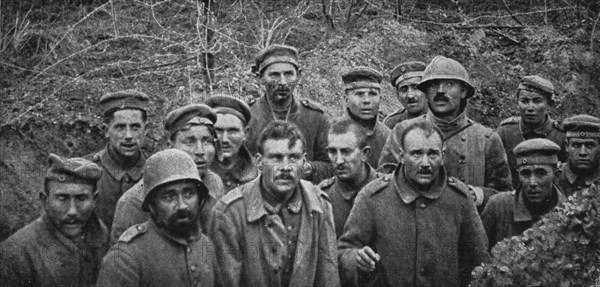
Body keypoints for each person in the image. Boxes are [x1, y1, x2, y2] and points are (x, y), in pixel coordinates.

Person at [338, 121, 489, 287]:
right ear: (402, 156)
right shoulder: (373, 197)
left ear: (443, 156)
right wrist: (357, 258)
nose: (425, 163)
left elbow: (479, 260)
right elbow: (344, 251)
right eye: (416, 154)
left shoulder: (459, 198)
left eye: (432, 154)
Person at [208, 121, 339, 287]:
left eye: (294, 158)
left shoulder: (319, 205)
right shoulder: (229, 213)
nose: (285, 167)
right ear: (259, 162)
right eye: (276, 158)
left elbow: (328, 276)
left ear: (304, 161)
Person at [378, 55, 512, 210]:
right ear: (426, 92)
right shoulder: (402, 131)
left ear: (463, 91)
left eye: (449, 84)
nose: (440, 91)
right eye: (433, 85)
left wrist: (478, 194)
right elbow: (384, 185)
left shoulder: (486, 138)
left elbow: (505, 195)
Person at [96, 149, 222, 286]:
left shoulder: (205, 245)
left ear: (200, 198)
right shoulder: (126, 257)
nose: (182, 206)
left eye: (188, 193)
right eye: (169, 197)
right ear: (151, 205)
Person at [110, 104, 224, 244]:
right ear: (170, 144)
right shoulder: (136, 200)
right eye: (190, 141)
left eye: (207, 141)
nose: (200, 151)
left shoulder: (215, 183)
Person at [0, 154, 108, 287]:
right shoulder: (16, 253)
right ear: (44, 200)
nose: (72, 211)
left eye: (81, 198)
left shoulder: (99, 234)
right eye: (62, 198)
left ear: (95, 200)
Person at [245, 44, 332, 183]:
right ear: (260, 78)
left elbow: (332, 165)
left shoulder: (315, 117)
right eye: (274, 75)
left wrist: (308, 168)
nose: (283, 82)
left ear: (298, 75)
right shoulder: (247, 118)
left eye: (288, 74)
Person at [482, 138, 566, 250]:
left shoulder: (569, 213)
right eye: (525, 174)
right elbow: (479, 255)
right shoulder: (498, 207)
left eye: (540, 173)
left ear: (556, 176)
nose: (532, 182)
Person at [84, 90, 150, 229]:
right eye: (120, 127)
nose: (128, 136)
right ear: (106, 130)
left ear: (146, 130)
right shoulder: (84, 172)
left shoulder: (155, 172)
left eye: (135, 127)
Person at [497, 75, 566, 187]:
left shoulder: (561, 135)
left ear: (549, 103)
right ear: (517, 102)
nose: (530, 107)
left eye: (537, 101)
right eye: (524, 101)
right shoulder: (506, 131)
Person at [319, 119, 380, 238]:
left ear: (364, 154)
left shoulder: (387, 191)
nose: (339, 160)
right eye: (332, 152)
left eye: (346, 152)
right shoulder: (322, 196)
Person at [206, 95, 259, 192]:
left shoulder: (259, 175)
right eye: (218, 130)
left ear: (245, 134)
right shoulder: (198, 172)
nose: (224, 139)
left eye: (232, 131)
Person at [340, 66, 391, 168]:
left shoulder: (389, 137)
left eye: (372, 94)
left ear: (380, 99)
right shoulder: (330, 132)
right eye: (359, 94)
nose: (366, 100)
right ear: (346, 100)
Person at [557, 114, 600, 197]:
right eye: (576, 145)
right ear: (566, 146)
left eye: (590, 145)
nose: (582, 152)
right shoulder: (555, 178)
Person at [383, 61, 429, 129]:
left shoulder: (442, 118)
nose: (410, 95)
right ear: (398, 95)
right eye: (404, 90)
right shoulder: (392, 123)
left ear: (427, 90)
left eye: (415, 87)